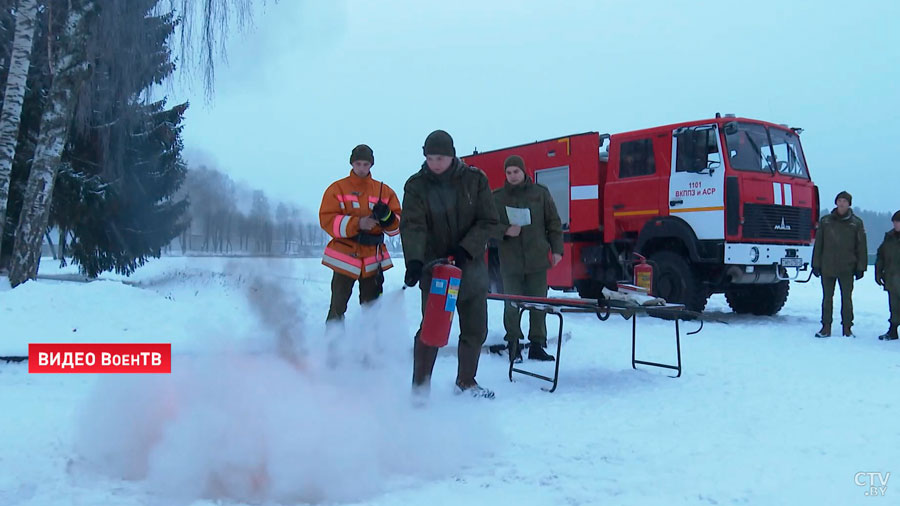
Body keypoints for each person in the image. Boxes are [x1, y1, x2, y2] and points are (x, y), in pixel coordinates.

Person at [400, 130, 500, 399]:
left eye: (440, 158)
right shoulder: (416, 185)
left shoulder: (474, 180)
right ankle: (420, 388)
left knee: (475, 328)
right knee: (431, 330)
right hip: (436, 271)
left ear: (452, 155)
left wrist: (466, 248)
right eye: (430, 158)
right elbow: (413, 226)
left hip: (471, 268)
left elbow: (488, 220)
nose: (435, 163)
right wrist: (415, 261)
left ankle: (466, 382)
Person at [491, 155, 563, 362]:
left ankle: (537, 345)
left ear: (524, 171)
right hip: (510, 262)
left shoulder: (540, 194)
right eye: (509, 172)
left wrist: (557, 250)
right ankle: (513, 345)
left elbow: (554, 223)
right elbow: (487, 226)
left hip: (537, 260)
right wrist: (505, 230)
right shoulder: (497, 198)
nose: (512, 176)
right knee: (512, 305)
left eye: (516, 171)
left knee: (538, 304)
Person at [319, 144, 401, 323]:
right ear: (352, 164)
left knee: (372, 310)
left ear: (371, 165)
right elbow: (326, 219)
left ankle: (369, 347)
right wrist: (357, 223)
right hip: (344, 258)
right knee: (337, 308)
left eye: (365, 164)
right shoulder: (337, 188)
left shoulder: (384, 191)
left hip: (373, 259)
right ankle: (333, 347)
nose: (362, 168)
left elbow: (396, 227)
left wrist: (387, 216)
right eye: (358, 164)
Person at [811, 191, 867, 337]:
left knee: (846, 299)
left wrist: (861, 267)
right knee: (827, 298)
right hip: (827, 266)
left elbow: (861, 246)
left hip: (847, 267)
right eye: (839, 201)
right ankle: (826, 327)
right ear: (836, 203)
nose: (842, 203)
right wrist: (816, 264)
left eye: (845, 201)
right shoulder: (826, 221)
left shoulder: (856, 223)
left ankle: (847, 327)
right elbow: (819, 245)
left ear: (849, 204)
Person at [874, 211, 900, 340]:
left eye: (898, 222)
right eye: (894, 222)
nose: (896, 224)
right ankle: (893, 331)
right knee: (894, 307)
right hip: (892, 279)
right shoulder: (889, 238)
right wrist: (878, 272)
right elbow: (881, 256)